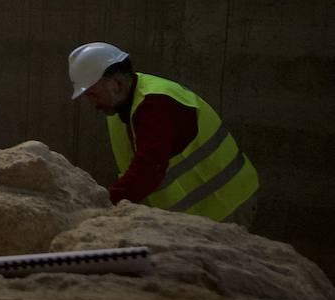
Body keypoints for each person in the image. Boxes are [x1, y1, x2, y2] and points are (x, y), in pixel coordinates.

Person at [69, 42, 259, 227]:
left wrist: (103, 204)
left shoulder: (156, 104)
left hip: (225, 204)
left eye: (94, 94)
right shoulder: (121, 103)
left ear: (116, 84)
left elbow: (149, 169)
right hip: (195, 213)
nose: (93, 104)